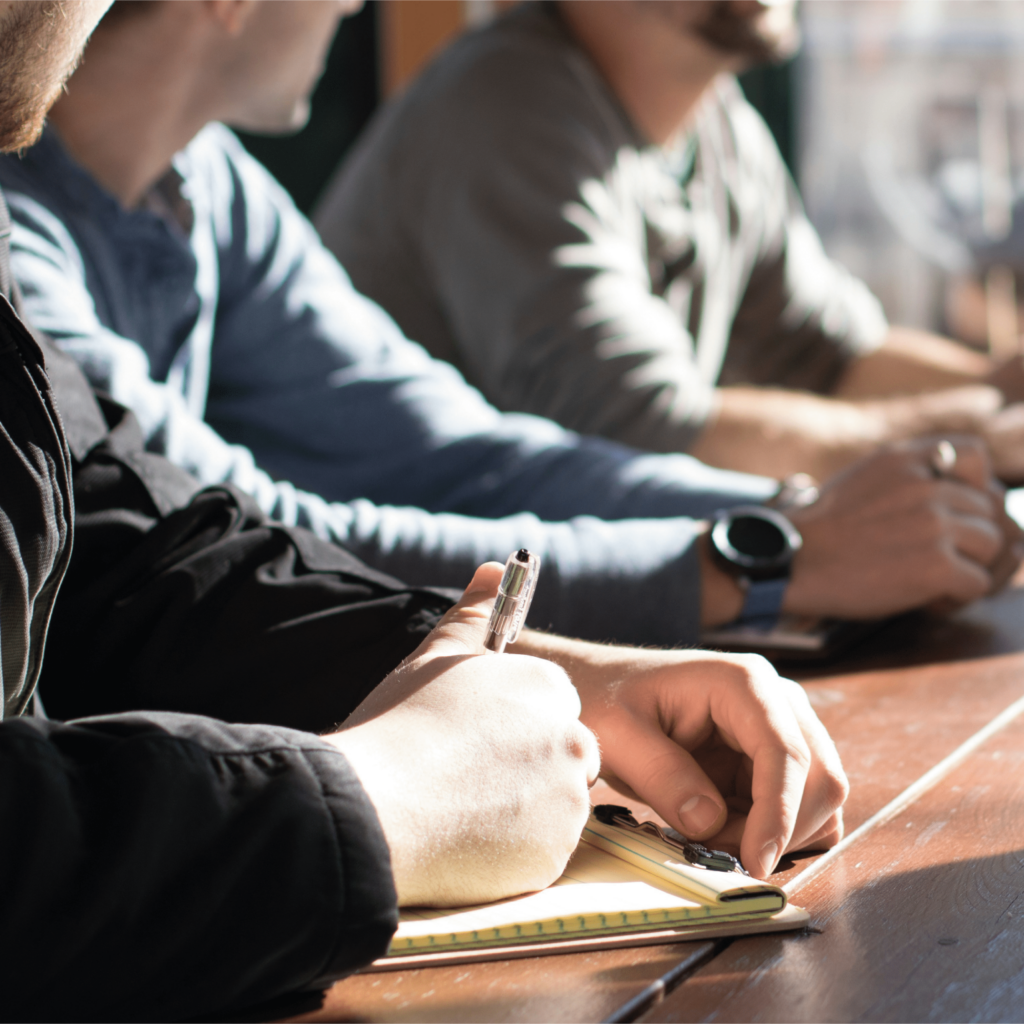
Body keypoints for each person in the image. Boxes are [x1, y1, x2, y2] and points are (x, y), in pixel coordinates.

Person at [0, 4, 848, 1021]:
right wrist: (381, 797)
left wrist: (528, 669)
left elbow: (143, 551)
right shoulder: (509, 101)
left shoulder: (203, 186)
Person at [3, 0, 1020, 649]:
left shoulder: (207, 182)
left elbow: (452, 451)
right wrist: (761, 556)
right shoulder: (18, 251)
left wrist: (791, 514)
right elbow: (251, 551)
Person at [316, 0, 1024, 485]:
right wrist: (974, 440)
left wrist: (1001, 387)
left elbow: (829, 355)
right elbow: (644, 434)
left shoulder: (717, 121)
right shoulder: (504, 107)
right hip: (410, 627)